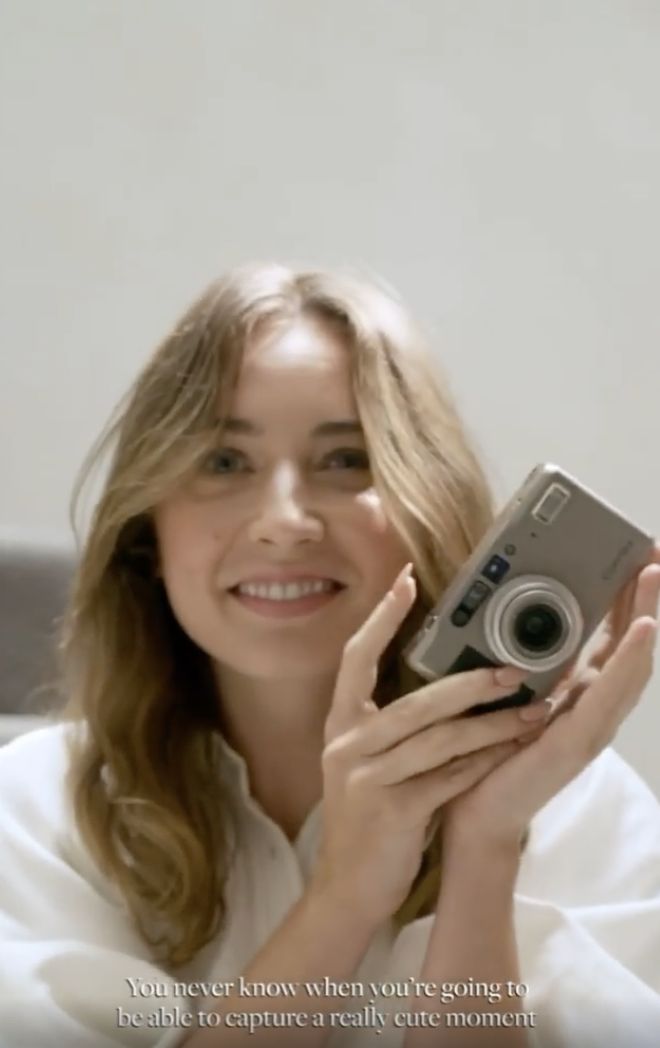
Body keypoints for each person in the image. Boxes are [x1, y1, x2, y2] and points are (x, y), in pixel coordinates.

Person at [1, 262, 659, 1048]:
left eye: (346, 460)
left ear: (428, 505)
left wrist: (484, 849)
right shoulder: (35, 812)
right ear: (147, 532)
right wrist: (345, 897)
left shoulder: (576, 808)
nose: (285, 522)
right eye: (224, 462)